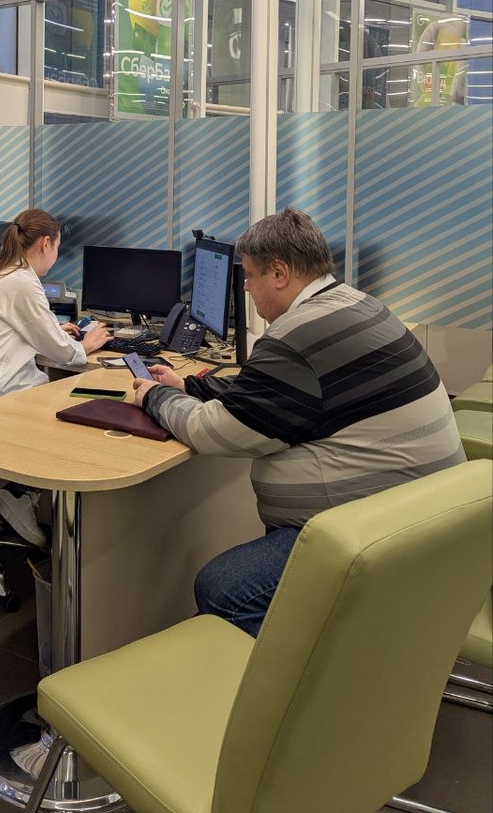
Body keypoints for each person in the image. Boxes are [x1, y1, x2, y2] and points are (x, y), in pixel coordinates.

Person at [130, 207, 466, 637]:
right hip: (430, 517)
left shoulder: (295, 336)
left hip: (385, 534)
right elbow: (282, 393)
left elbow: (210, 432)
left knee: (225, 586)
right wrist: (191, 386)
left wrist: (154, 396)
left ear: (279, 273)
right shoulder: (353, 303)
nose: (245, 287)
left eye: (250, 275)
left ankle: (293, 675)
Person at [0, 208, 112, 545]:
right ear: (45, 244)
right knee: (77, 415)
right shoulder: (22, 281)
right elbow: (63, 353)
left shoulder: (0, 271)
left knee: (67, 398)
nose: (55, 256)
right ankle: (21, 495)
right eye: (57, 247)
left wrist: (55, 330)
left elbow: (22, 326)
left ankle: (21, 492)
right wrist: (87, 344)